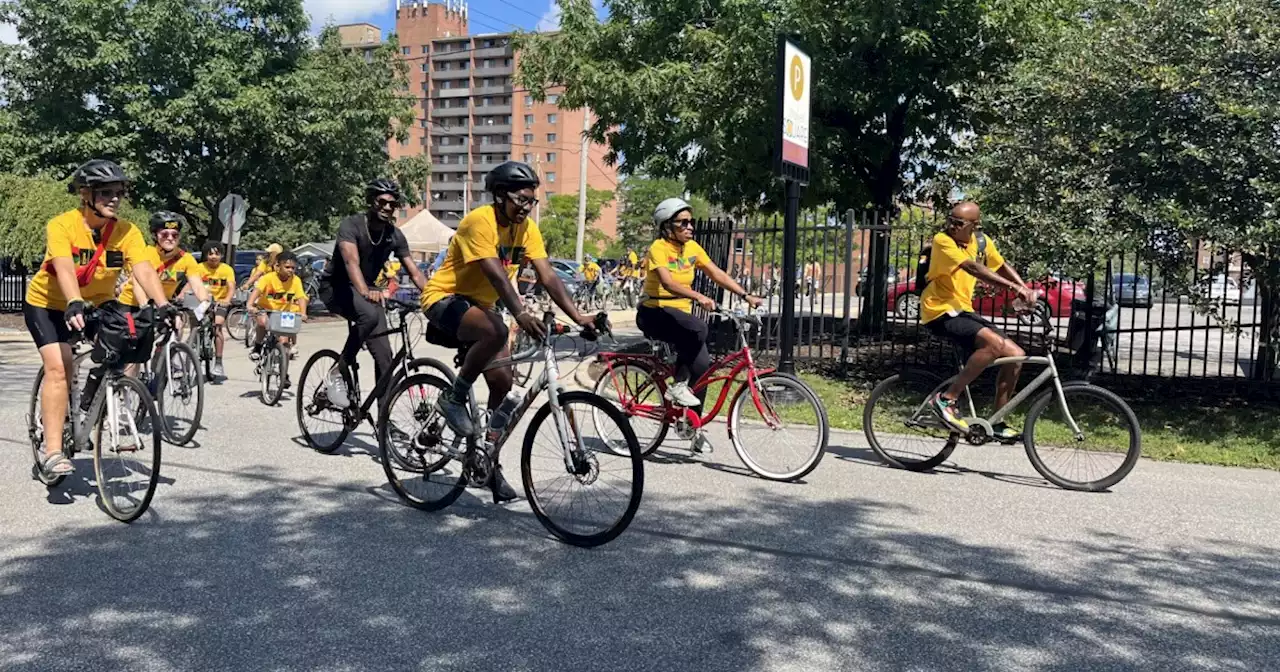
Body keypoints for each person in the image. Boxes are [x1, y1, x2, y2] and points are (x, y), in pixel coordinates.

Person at [422, 160, 594, 503]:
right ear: (500, 195)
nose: (527, 207)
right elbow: (494, 273)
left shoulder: (527, 229)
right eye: (522, 199)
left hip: (482, 308)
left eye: (532, 201)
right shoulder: (479, 221)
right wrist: (518, 311)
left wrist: (580, 317)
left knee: (503, 384)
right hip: (444, 298)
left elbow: (548, 276)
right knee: (497, 330)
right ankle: (452, 398)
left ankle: (487, 462)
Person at [23, 159, 173, 477]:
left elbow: (143, 269)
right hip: (48, 304)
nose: (114, 199)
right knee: (59, 366)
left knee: (120, 347)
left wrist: (162, 304)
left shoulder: (126, 231)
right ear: (85, 194)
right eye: (106, 192)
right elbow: (63, 266)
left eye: (119, 192)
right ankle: (52, 452)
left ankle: (88, 410)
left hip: (98, 303)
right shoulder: (62, 225)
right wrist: (74, 300)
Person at [922, 201, 1037, 440]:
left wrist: (1026, 289)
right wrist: (1015, 288)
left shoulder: (981, 242)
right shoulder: (943, 241)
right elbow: (973, 268)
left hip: (962, 309)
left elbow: (1001, 265)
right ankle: (946, 399)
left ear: (974, 225)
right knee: (993, 345)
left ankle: (997, 421)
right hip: (939, 310)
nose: (951, 226)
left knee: (1015, 355)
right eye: (950, 221)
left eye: (958, 223)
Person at [638, 197, 762, 409]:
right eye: (683, 223)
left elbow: (716, 273)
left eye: (691, 222)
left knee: (702, 368)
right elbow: (668, 284)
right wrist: (698, 296)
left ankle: (692, 426)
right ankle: (677, 386)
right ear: (667, 226)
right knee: (699, 328)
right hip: (654, 312)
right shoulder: (658, 248)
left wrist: (745, 295)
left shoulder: (692, 248)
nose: (690, 227)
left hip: (679, 316)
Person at [318, 178, 429, 407]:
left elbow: (415, 272)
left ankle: (383, 420)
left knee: (385, 358)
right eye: (382, 202)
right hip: (336, 288)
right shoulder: (351, 225)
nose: (388, 207)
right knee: (368, 315)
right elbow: (351, 263)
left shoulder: (394, 235)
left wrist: (434, 298)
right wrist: (366, 292)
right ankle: (336, 372)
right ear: (371, 202)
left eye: (393, 204)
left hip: (367, 292)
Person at [118, 211, 211, 344]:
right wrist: (145, 307)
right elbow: (138, 285)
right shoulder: (146, 253)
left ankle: (166, 358)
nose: (170, 238)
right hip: (133, 304)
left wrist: (205, 302)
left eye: (175, 235)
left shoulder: (187, 259)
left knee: (176, 326)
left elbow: (197, 284)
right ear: (156, 236)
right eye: (164, 234)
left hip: (162, 305)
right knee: (134, 355)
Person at [248, 250, 309, 367]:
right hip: (265, 309)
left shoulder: (296, 280)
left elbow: (301, 297)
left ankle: (283, 373)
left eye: (293, 268)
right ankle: (258, 346)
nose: (290, 270)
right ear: (278, 266)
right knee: (262, 323)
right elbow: (257, 291)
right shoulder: (268, 278)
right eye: (287, 267)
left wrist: (303, 313)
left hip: (283, 313)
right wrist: (250, 305)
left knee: (284, 342)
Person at [194, 241, 237, 378]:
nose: (213, 257)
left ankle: (218, 361)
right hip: (202, 302)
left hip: (220, 303)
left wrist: (227, 300)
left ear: (222, 256)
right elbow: (191, 284)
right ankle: (194, 348)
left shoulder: (226, 269)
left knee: (218, 325)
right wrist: (183, 295)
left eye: (217, 254)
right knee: (195, 323)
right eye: (210, 253)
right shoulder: (199, 268)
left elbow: (231, 287)